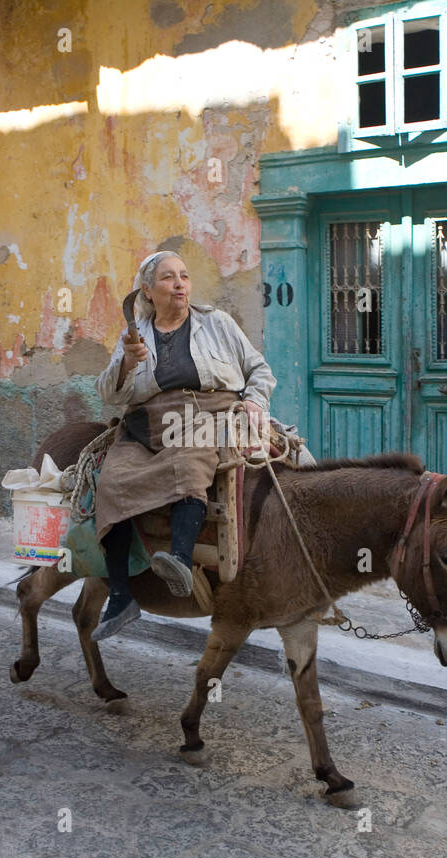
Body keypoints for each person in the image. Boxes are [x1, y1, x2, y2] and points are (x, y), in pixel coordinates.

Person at [91, 251, 276, 641]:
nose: (180, 284)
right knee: (112, 481)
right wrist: (126, 363)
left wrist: (256, 401)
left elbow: (258, 369)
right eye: (168, 278)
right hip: (148, 426)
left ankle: (178, 558)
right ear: (148, 290)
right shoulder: (134, 335)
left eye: (185, 277)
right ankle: (122, 596)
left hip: (206, 417)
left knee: (193, 458)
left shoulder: (216, 324)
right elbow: (109, 393)